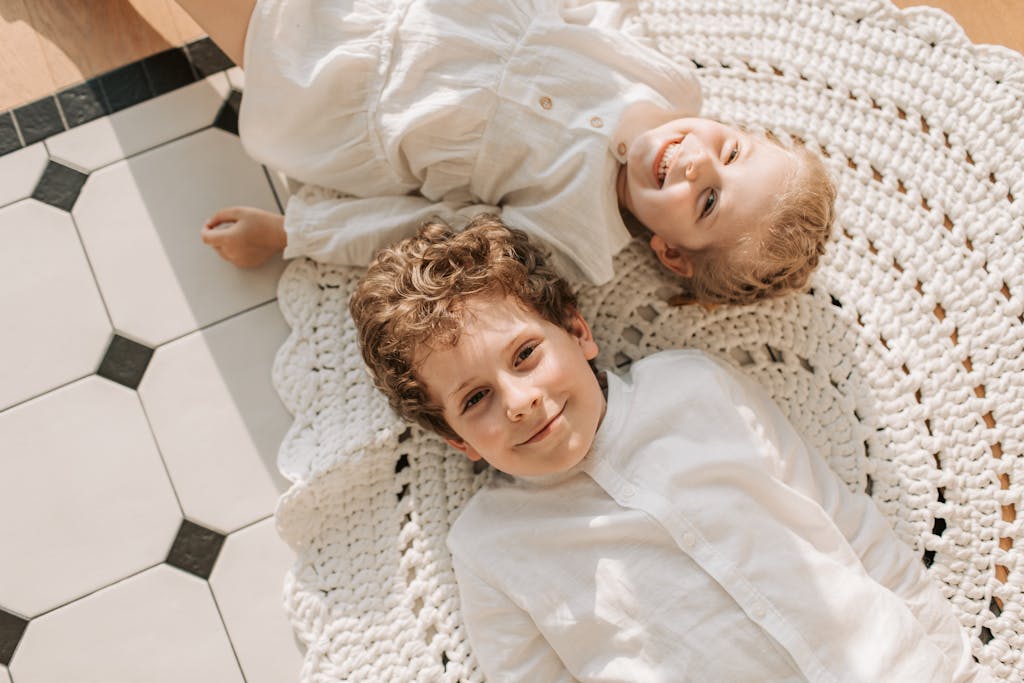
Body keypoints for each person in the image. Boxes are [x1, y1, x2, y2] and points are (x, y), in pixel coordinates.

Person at [349, 216, 992, 681]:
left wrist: (955, 664)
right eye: (475, 400)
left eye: (525, 355)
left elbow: (849, 527)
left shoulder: (694, 388)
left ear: (577, 330)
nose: (517, 400)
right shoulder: (489, 548)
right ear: (457, 441)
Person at [179, 0, 836, 305]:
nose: (697, 161)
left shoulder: (568, 238)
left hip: (352, 86)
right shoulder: (667, 83)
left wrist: (291, 230)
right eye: (731, 148)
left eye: (708, 200)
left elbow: (419, 235)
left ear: (669, 250)